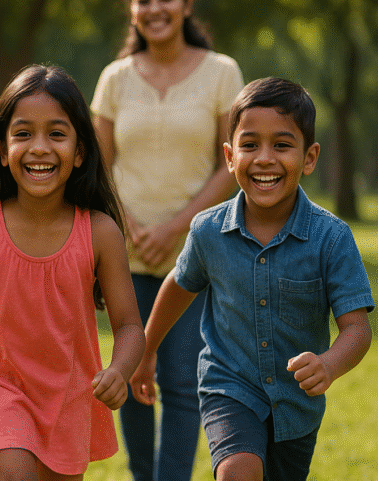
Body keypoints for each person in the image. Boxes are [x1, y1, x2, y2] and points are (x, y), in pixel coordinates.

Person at [130, 77, 374, 481]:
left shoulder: (331, 238)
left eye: (281, 145)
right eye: (249, 144)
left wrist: (329, 365)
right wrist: (147, 350)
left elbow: (357, 328)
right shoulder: (208, 231)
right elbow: (179, 285)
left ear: (309, 157)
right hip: (228, 386)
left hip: (296, 405)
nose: (264, 158)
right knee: (238, 471)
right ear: (229, 156)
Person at [0, 65, 145, 480]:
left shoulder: (100, 233)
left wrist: (119, 371)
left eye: (56, 134)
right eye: (23, 134)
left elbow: (130, 324)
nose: (39, 147)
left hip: (70, 397)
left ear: (80, 152)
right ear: (3, 150)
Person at [90, 0, 244, 481]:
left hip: (194, 253)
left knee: (181, 379)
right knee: (131, 376)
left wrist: (175, 228)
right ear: (131, 9)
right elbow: (98, 165)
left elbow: (231, 163)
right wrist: (131, 227)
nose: (155, 7)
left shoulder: (222, 72)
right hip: (124, 255)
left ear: (186, 3)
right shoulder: (114, 79)